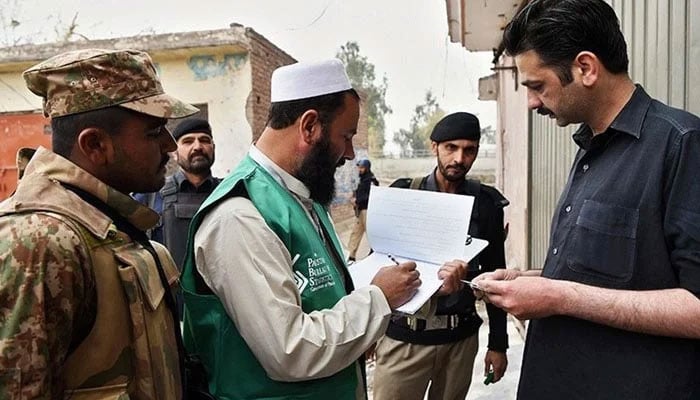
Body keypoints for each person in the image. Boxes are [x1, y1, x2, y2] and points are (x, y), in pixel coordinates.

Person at [181, 59, 462, 400]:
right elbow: (290, 349)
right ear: (310, 126)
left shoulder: (302, 196)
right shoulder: (239, 217)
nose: (347, 153)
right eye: (345, 136)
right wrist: (378, 298)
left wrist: (417, 285)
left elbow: (324, 291)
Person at [474, 1, 700, 399]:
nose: (530, 102)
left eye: (536, 86)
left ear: (586, 68)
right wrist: (529, 280)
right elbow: (607, 273)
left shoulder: (681, 146)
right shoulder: (588, 147)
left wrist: (557, 296)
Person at [0, 48, 198, 399]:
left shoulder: (110, 225)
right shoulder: (40, 242)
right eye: (154, 133)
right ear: (95, 145)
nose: (170, 146)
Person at [372, 112, 510, 400]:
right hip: (404, 340)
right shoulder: (404, 193)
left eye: (469, 150)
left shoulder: (486, 204)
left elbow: (497, 273)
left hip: (458, 343)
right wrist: (369, 330)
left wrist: (498, 344)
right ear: (434, 146)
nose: (460, 158)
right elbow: (379, 266)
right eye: (451, 148)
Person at [347, 158, 379, 262]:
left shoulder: (370, 180)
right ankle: (350, 255)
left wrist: (358, 200)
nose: (359, 169)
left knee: (371, 233)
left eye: (362, 167)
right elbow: (357, 191)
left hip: (367, 210)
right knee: (356, 233)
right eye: (359, 167)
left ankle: (376, 253)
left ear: (367, 168)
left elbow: (371, 195)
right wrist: (353, 198)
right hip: (360, 210)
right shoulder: (359, 179)